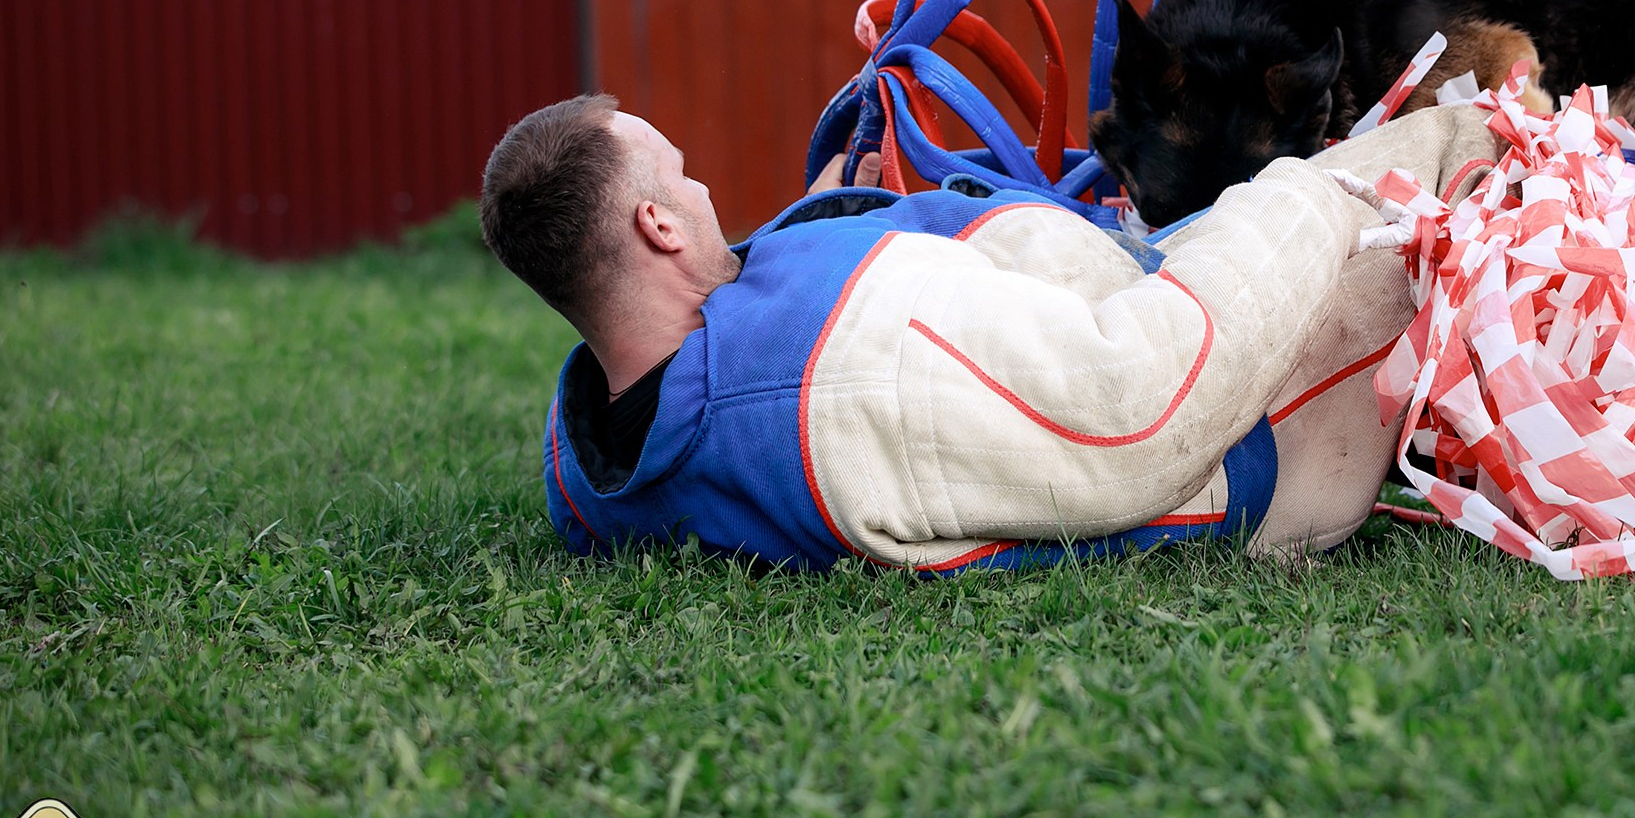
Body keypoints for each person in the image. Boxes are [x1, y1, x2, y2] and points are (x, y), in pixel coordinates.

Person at [476, 96, 1501, 571]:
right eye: (681, 175)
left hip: (1079, 291)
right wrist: (1311, 196)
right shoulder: (841, 376)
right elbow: (1133, 408)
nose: (702, 190)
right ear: (656, 225)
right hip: (1259, 430)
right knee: (1469, 155)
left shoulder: (589, 452)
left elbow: (720, 369)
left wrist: (819, 216)